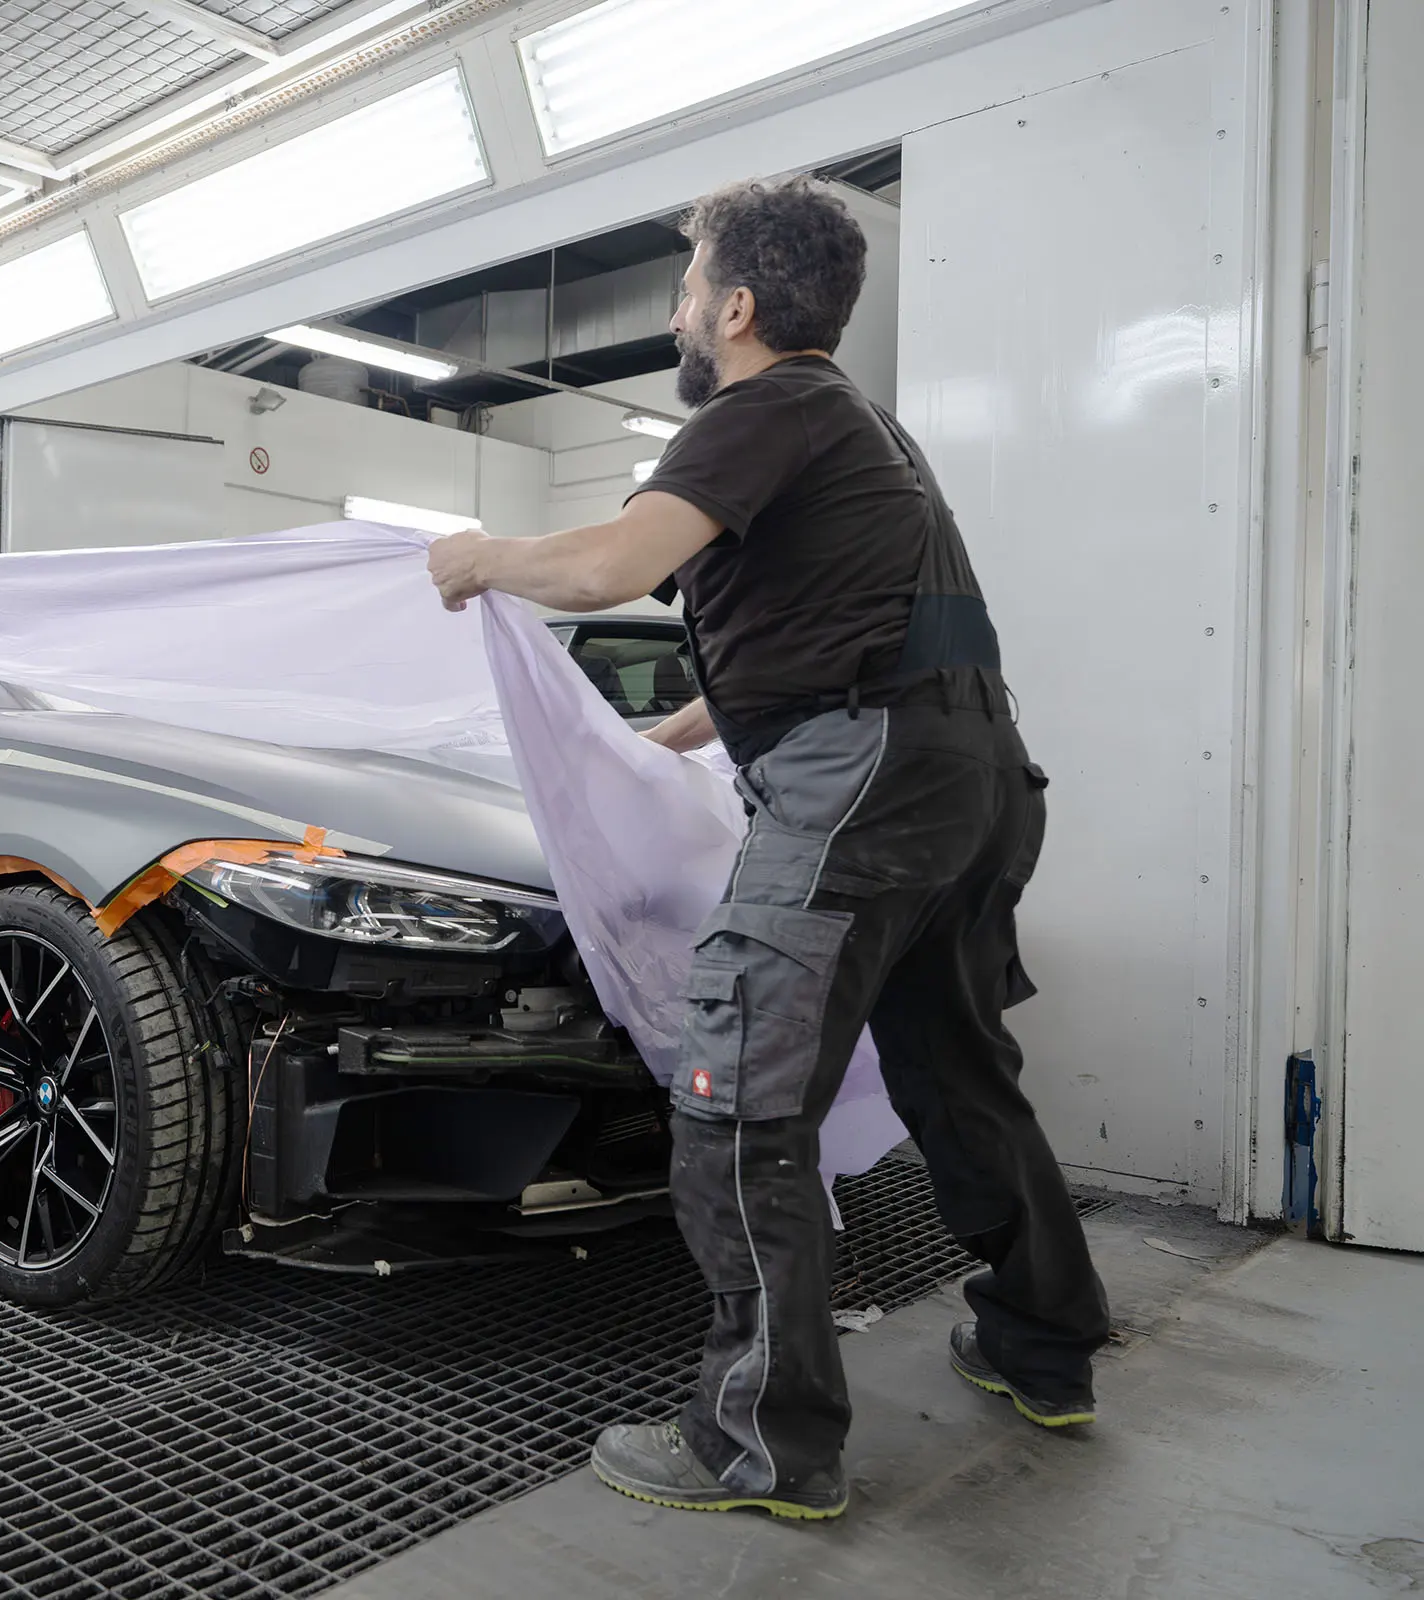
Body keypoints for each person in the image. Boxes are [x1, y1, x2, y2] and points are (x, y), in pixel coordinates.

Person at [427, 177, 1109, 1522]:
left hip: (865, 798)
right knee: (961, 1079)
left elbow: (612, 567)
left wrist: (480, 556)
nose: (679, 315)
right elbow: (834, 642)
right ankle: (1045, 1347)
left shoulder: (764, 408)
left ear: (737, 307)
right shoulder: (865, 429)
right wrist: (671, 738)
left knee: (737, 1097)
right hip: (971, 781)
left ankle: (764, 1441)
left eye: (689, 292)